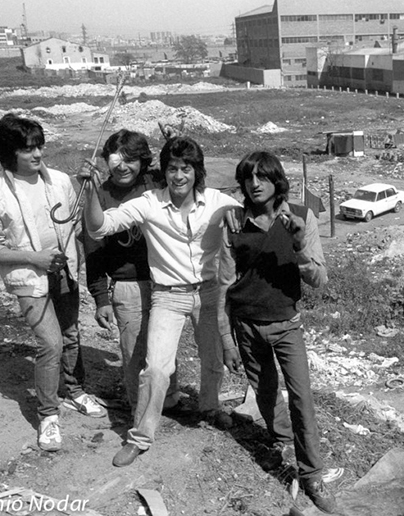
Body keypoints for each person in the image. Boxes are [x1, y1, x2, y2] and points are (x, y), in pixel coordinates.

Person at [79, 135, 241, 468]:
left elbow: (254, 215)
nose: (178, 176)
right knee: (155, 368)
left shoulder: (216, 201)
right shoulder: (149, 203)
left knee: (212, 358)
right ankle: (140, 437)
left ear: (197, 171)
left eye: (186, 168)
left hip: (208, 292)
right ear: (163, 171)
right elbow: (99, 228)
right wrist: (93, 192)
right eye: (172, 168)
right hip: (168, 296)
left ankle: (210, 408)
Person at [0, 113, 105, 453]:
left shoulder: (59, 181)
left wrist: (88, 187)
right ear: (8, 153)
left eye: (39, 146)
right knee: (51, 343)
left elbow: (77, 223)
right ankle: (47, 414)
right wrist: (33, 257)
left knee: (72, 334)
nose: (37, 154)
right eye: (28, 149)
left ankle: (74, 391)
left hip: (65, 272)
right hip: (31, 279)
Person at [218, 151, 336, 514]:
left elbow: (319, 279)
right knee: (266, 395)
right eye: (249, 178)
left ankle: (313, 474)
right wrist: (226, 340)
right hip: (246, 324)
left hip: (286, 325)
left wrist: (299, 242)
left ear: (276, 181)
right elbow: (223, 283)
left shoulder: (301, 217)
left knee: (302, 398)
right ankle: (284, 445)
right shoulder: (235, 221)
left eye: (263, 178)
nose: (255, 185)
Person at [82, 129, 184, 415]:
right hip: (128, 286)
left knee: (165, 348)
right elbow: (93, 250)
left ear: (144, 161)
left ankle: (171, 400)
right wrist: (101, 297)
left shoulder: (155, 183)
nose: (123, 166)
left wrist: (174, 145)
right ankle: (140, 408)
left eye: (131, 159)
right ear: (105, 161)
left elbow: (184, 175)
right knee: (135, 353)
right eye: (116, 160)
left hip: (166, 281)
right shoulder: (99, 197)